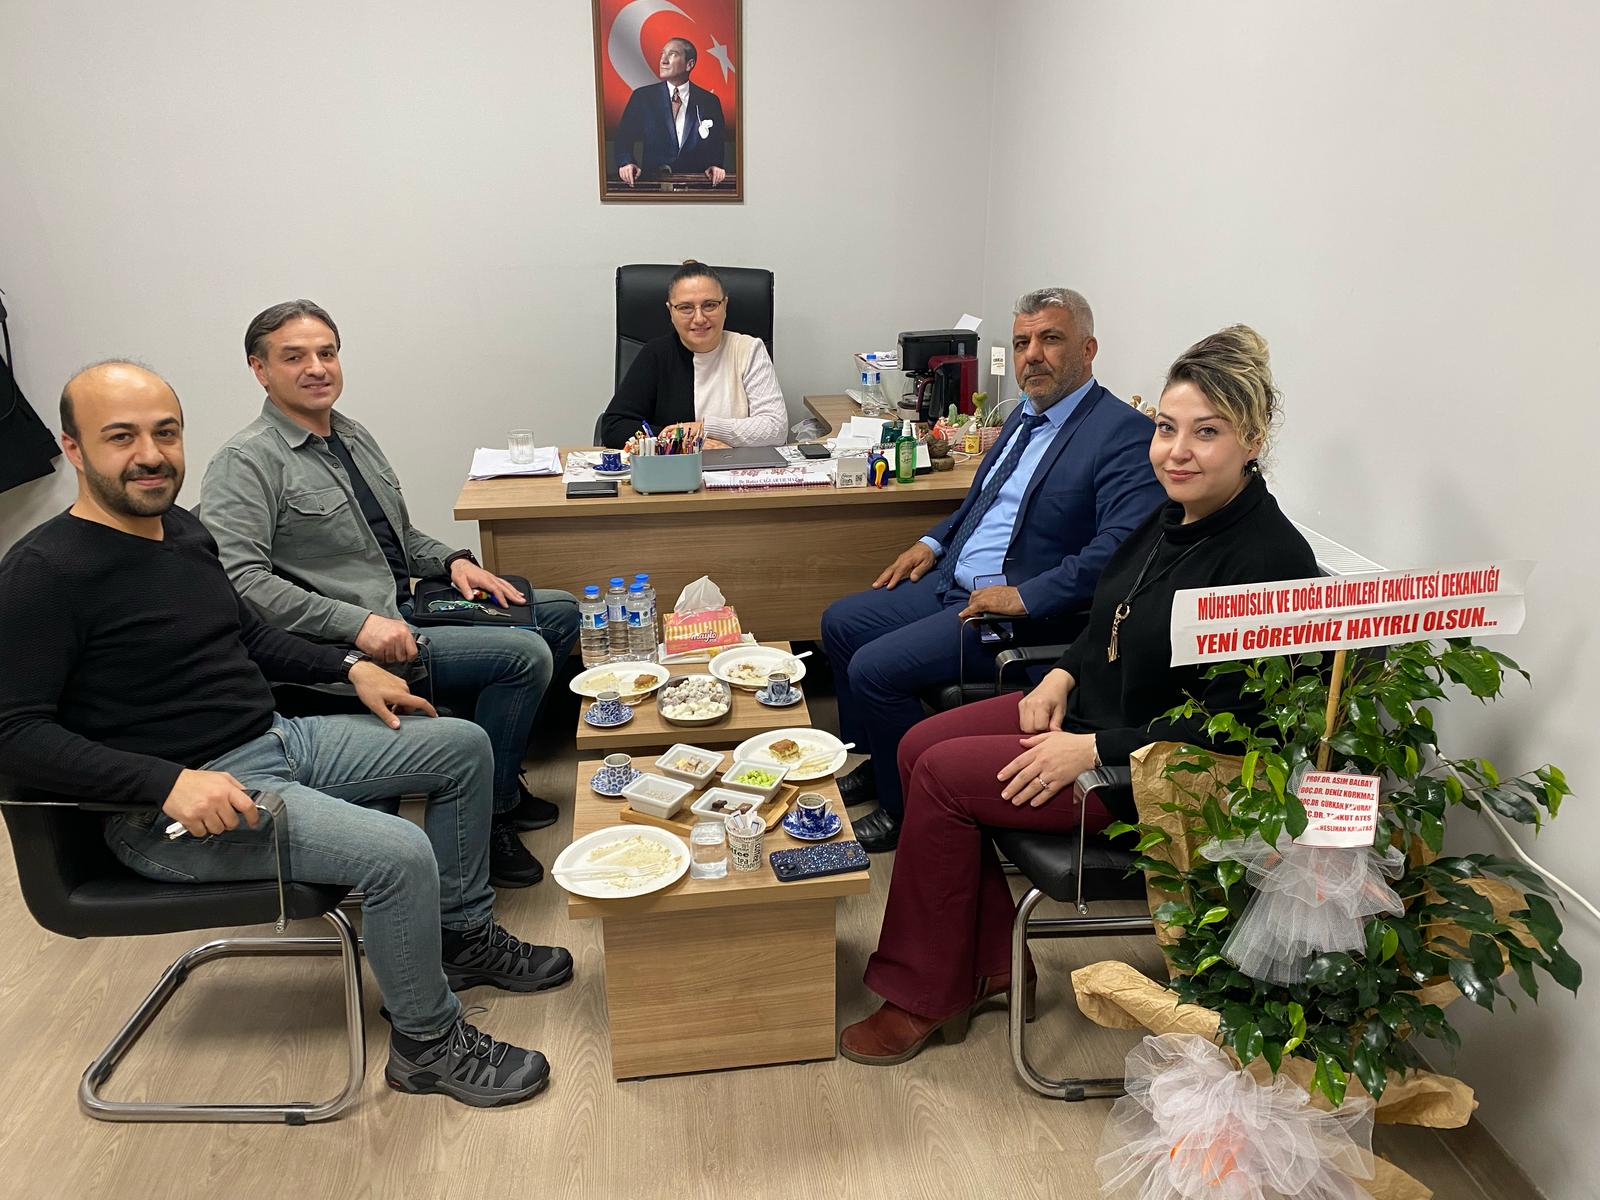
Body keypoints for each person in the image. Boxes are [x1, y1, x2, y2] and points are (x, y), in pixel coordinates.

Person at [0, 362, 574, 1107]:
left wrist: (349, 667)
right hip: (170, 812)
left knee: (463, 746)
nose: (150, 454)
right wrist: (164, 782)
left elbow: (246, 634)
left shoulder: (181, 529)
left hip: (271, 740)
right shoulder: (43, 574)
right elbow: (13, 735)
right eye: (121, 437)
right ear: (74, 448)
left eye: (165, 433)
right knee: (398, 851)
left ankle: (460, 939)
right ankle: (427, 1045)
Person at [838, 325, 1319, 1065]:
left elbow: (1245, 729)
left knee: (939, 775)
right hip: (1097, 717)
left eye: (1207, 432)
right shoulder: (1175, 515)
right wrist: (1063, 674)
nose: (1176, 451)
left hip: (1152, 775)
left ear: (1252, 441)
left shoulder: (1267, 560)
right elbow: (1108, 615)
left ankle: (925, 992)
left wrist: (1093, 749)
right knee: (917, 742)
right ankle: (992, 963)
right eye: (1166, 428)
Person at [199, 300, 579, 889]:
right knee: (523, 654)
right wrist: (356, 625)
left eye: (327, 353)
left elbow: (398, 536)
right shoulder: (246, 461)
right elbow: (240, 582)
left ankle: (498, 779)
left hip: (402, 606)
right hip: (347, 644)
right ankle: (492, 814)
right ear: (260, 370)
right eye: (294, 357)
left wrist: (453, 561)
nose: (316, 368)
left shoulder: (351, 435)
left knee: (557, 612)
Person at [820, 288, 1165, 852]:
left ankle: (904, 809)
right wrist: (932, 541)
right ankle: (880, 761)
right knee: (840, 622)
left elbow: (1118, 551)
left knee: (875, 670)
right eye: (1022, 342)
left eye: (1050, 339)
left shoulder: (1121, 433)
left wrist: (1026, 597)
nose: (1032, 355)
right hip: (954, 581)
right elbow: (984, 500)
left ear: (1088, 349)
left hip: (1019, 614)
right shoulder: (1023, 416)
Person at [598, 261, 785, 449]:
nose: (699, 318)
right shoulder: (656, 354)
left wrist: (704, 428)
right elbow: (614, 427)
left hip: (738, 466)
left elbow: (776, 428)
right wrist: (683, 442)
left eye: (710, 305)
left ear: (725, 306)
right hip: (675, 467)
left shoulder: (749, 350)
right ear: (671, 311)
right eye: (686, 307)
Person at [612, 37, 727, 187]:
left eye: (672, 54)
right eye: (662, 54)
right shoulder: (642, 97)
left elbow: (717, 146)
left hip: (695, 187)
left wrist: (715, 166)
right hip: (653, 186)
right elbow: (623, 139)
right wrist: (627, 163)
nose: (663, 60)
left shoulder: (709, 101)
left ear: (689, 64)